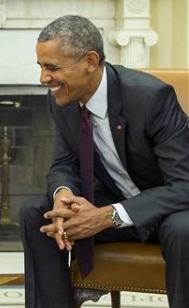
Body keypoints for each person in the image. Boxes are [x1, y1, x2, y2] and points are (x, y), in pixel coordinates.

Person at [19, 15, 189, 307]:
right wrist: (64, 196)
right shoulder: (62, 99)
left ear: (90, 60)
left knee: (184, 228)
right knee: (38, 212)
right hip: (117, 201)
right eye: (41, 67)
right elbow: (63, 164)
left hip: (167, 210)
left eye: (52, 67)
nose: (44, 79)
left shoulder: (151, 98)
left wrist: (107, 215)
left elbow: (184, 185)